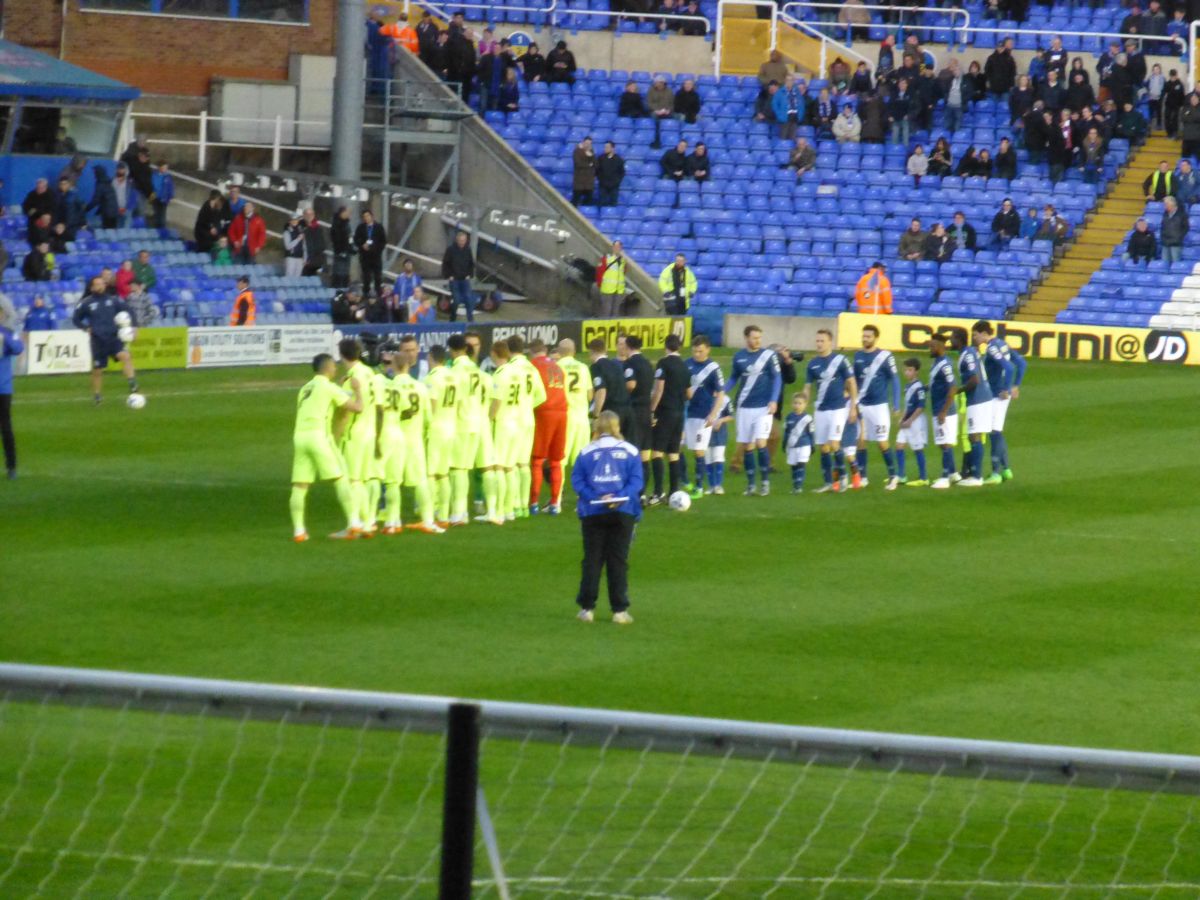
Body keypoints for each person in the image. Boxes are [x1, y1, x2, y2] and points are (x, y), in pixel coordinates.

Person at [572, 410, 641, 625]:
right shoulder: (630, 451)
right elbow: (637, 481)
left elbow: (577, 481)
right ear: (616, 427)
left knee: (592, 559)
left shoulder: (586, 452)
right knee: (618, 560)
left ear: (597, 428)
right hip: (623, 512)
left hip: (593, 512)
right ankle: (619, 610)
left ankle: (587, 609)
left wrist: (596, 497)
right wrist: (620, 497)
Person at [289, 353, 364, 542]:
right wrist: (358, 390)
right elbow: (357, 407)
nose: (336, 368)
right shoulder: (329, 387)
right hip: (317, 436)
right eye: (333, 366)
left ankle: (299, 531)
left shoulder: (305, 388)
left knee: (300, 485)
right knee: (340, 479)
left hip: (300, 437)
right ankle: (354, 523)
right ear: (328, 367)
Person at [380, 340, 442, 534]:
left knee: (392, 482)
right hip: (415, 439)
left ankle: (393, 521)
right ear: (408, 365)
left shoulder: (389, 387)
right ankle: (428, 520)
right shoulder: (421, 387)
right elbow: (429, 417)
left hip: (394, 438)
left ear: (394, 366)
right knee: (421, 481)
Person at [726, 324, 782, 496]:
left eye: (759, 337)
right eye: (754, 338)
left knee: (760, 443)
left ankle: (764, 482)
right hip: (744, 407)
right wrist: (722, 390)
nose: (758, 341)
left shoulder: (769, 356)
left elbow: (777, 378)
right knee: (748, 446)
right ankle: (751, 485)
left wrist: (773, 400)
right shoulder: (739, 357)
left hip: (763, 408)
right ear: (746, 338)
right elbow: (734, 377)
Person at [803, 328, 857, 493]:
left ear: (830, 342)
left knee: (834, 444)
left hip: (838, 408)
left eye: (822, 341)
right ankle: (828, 482)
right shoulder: (812, 364)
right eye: (817, 341)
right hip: (820, 409)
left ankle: (842, 477)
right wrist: (804, 404)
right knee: (823, 447)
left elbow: (852, 383)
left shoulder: (841, 361)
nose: (819, 344)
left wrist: (853, 406)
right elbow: (807, 387)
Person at [972, 320, 1025, 484]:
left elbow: (1009, 367)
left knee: (994, 432)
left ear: (983, 333)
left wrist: (1007, 389)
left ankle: (995, 473)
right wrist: (1016, 385)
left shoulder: (992, 347)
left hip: (997, 394)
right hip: (999, 394)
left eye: (975, 335)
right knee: (996, 431)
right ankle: (1006, 469)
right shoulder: (1002, 343)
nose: (974, 338)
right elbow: (1022, 363)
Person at [73, 275, 139, 405]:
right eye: (97, 284)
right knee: (97, 370)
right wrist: (85, 328)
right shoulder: (86, 303)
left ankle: (132, 383)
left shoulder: (113, 300)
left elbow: (129, 311)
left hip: (114, 337)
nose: (100, 286)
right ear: (92, 287)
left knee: (125, 356)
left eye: (101, 283)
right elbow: (76, 319)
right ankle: (97, 395)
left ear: (105, 285)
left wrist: (134, 327)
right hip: (98, 340)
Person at [852, 324, 901, 490]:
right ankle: (863, 477)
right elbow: (854, 381)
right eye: (863, 336)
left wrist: (896, 404)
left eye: (868, 336)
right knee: (861, 440)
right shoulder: (857, 356)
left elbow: (894, 379)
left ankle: (893, 476)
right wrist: (852, 401)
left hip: (879, 407)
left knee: (882, 442)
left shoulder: (885, 356)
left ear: (875, 338)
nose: (865, 339)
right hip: (862, 405)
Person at [646, 333, 690, 504]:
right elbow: (689, 393)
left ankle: (658, 493)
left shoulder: (663, 363)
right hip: (679, 413)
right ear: (679, 347)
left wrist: (652, 409)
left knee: (657, 451)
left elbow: (659, 389)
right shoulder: (685, 366)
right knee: (673, 453)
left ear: (666, 347)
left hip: (665, 412)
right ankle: (674, 491)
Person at [528, 339, 568, 514]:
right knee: (556, 460)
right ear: (545, 350)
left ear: (531, 352)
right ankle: (554, 504)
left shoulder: (533, 366)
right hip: (562, 412)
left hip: (544, 412)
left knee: (537, 460)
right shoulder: (557, 366)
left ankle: (534, 503)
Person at [948, 329, 993, 486]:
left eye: (952, 338)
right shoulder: (968, 353)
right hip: (980, 398)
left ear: (959, 340)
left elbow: (974, 380)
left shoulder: (967, 354)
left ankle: (976, 476)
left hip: (978, 399)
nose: (950, 342)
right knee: (973, 436)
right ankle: (972, 474)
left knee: (974, 436)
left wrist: (958, 391)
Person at [683, 334, 725, 498]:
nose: (696, 354)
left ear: (707, 350)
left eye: (700, 351)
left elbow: (721, 393)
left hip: (703, 415)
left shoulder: (714, 368)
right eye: (694, 351)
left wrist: (713, 414)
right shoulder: (686, 364)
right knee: (677, 449)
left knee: (699, 452)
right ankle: (686, 481)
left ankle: (699, 487)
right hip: (687, 413)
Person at [423, 345, 461, 527]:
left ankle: (429, 515)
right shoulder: (454, 377)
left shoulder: (431, 378)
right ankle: (444, 515)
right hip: (451, 427)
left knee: (431, 473)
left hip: (436, 428)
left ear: (430, 358)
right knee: (444, 473)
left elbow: (431, 406)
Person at [619, 334, 655, 500]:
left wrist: (622, 392)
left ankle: (631, 491)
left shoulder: (629, 363)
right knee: (645, 454)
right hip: (647, 411)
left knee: (631, 451)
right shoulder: (648, 363)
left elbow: (631, 384)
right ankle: (642, 493)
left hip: (634, 411)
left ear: (627, 346)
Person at [926, 333, 959, 489]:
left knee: (945, 443)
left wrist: (944, 411)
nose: (930, 349)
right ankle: (953, 473)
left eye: (932, 346)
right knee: (942, 443)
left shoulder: (945, 365)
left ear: (941, 346)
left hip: (943, 410)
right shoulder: (937, 362)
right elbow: (937, 385)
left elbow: (952, 387)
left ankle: (945, 478)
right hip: (937, 408)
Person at [553, 339, 593, 468]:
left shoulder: (556, 367)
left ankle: (559, 488)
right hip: (582, 418)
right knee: (582, 459)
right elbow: (590, 395)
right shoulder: (583, 367)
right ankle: (583, 488)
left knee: (560, 460)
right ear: (574, 351)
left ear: (559, 351)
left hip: (565, 418)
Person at [588, 336, 633, 446]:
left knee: (607, 447)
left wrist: (596, 415)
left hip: (611, 414)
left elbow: (601, 391)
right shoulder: (615, 365)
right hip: (627, 411)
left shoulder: (596, 367)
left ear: (592, 351)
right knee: (622, 446)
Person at [894, 358, 928, 487]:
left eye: (910, 370)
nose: (907, 372)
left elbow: (921, 406)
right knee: (899, 445)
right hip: (907, 420)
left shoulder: (918, 387)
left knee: (917, 448)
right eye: (905, 369)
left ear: (916, 371)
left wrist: (910, 420)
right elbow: (908, 406)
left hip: (915, 422)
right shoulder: (908, 386)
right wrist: (902, 418)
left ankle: (924, 477)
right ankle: (902, 475)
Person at [0, 300, 22, 479]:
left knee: (5, 426)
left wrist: (4, 338)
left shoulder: (7, 333)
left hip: (3, 387)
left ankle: (11, 466)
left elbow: (18, 348)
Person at [782, 393, 814, 494]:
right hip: (792, 446)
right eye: (795, 403)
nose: (797, 405)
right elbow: (786, 432)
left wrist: (812, 445)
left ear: (805, 405)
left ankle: (799, 486)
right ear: (792, 404)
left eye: (800, 403)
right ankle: (795, 485)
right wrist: (784, 444)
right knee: (794, 466)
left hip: (804, 445)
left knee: (801, 464)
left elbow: (811, 433)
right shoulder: (789, 417)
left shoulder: (808, 419)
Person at [442, 231, 476, 322]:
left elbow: (471, 264)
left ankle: (471, 321)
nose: (462, 242)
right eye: (460, 240)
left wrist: (470, 275)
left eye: (464, 240)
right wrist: (449, 275)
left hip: (465, 279)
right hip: (454, 280)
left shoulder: (468, 250)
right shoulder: (450, 249)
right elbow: (445, 264)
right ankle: (452, 320)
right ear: (457, 240)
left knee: (469, 299)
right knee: (456, 301)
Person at [354, 210, 386, 299]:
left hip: (376, 257)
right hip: (365, 257)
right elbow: (356, 239)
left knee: (377, 277)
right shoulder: (360, 227)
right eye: (364, 217)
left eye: (367, 216)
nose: (366, 218)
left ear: (371, 216)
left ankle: (379, 295)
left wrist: (375, 248)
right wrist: (362, 245)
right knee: (366, 277)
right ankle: (366, 295)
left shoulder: (379, 227)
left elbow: (383, 241)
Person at [596, 240, 626, 318]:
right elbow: (599, 272)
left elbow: (623, 273)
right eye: (615, 247)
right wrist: (600, 285)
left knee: (616, 312)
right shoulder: (606, 259)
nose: (617, 249)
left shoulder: (623, 261)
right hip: (607, 289)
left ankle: (613, 329)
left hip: (619, 290)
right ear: (612, 248)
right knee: (606, 312)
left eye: (619, 247)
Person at [595, 141, 625, 207]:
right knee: (602, 202)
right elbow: (597, 171)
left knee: (613, 203)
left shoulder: (619, 159)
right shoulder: (600, 158)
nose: (605, 148)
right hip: (603, 185)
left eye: (607, 147)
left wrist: (616, 182)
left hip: (614, 186)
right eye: (605, 147)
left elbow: (622, 173)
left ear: (612, 148)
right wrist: (601, 180)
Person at [1160, 196, 1189, 263]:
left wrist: (1179, 237)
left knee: (1176, 263)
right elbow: (1162, 227)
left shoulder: (1182, 215)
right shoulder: (1165, 214)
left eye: (1166, 204)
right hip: (1165, 243)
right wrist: (1163, 238)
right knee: (1164, 264)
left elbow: (1186, 228)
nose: (1165, 206)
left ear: (1172, 204)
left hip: (1176, 244)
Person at [331, 206, 353, 289]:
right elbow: (336, 238)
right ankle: (337, 287)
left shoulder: (347, 223)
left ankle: (344, 287)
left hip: (346, 251)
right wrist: (340, 250)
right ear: (342, 213)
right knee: (339, 270)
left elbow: (349, 237)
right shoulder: (337, 224)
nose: (349, 214)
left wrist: (350, 247)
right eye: (347, 213)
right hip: (340, 251)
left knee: (345, 271)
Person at [301, 208, 326, 277]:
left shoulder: (318, 229)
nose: (309, 216)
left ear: (314, 215)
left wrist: (311, 260)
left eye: (311, 214)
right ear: (303, 215)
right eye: (307, 214)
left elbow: (321, 246)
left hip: (313, 260)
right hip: (300, 258)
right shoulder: (299, 227)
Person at [572, 136, 596, 206]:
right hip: (579, 183)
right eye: (586, 143)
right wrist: (589, 165)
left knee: (588, 203)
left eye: (590, 144)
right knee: (575, 202)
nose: (588, 145)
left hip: (589, 184)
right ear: (583, 143)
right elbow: (578, 164)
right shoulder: (577, 151)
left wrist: (591, 156)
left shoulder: (592, 152)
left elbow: (595, 164)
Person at [284, 214, 306, 279]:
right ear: (289, 221)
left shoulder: (301, 231)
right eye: (293, 220)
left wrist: (305, 258)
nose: (294, 221)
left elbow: (304, 245)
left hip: (300, 257)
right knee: (289, 276)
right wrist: (298, 239)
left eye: (296, 220)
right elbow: (288, 246)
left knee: (297, 277)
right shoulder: (286, 232)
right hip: (291, 257)